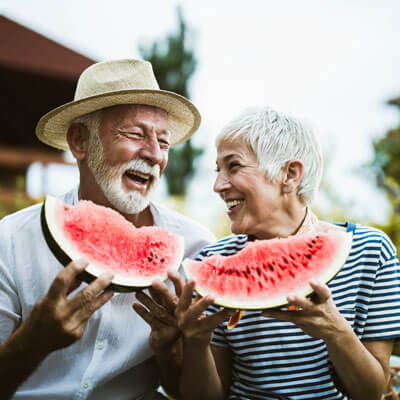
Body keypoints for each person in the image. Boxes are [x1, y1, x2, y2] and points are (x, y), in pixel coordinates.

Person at [138, 106, 400, 399]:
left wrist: (335, 331)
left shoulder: (370, 251)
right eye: (217, 170)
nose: (218, 185)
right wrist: (196, 342)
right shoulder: (212, 262)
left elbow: (372, 393)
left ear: (290, 174)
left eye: (233, 166)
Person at [0, 59, 216, 400]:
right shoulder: (11, 241)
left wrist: (172, 348)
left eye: (164, 142)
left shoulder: (195, 249)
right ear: (80, 141)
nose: (154, 155)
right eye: (135, 134)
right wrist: (32, 342)